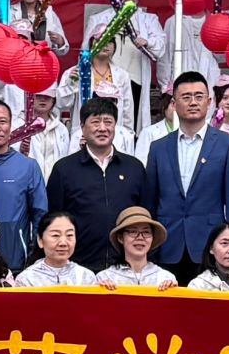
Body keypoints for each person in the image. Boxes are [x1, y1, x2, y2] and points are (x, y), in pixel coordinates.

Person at [141, 72, 229, 285]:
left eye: (199, 96)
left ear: (209, 101)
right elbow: (149, 201)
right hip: (167, 244)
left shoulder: (228, 145)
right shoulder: (158, 147)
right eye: (186, 97)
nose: (193, 102)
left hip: (209, 244)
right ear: (174, 103)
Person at [44, 97, 147, 270]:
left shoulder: (134, 168)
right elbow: (53, 218)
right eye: (95, 122)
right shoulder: (64, 169)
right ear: (82, 127)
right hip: (77, 266)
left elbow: (145, 214)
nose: (102, 128)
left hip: (126, 265)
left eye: (108, 122)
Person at [83, 0, 166, 126]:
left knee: (131, 119)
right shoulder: (99, 18)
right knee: (102, 117)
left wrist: (148, 42)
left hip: (136, 78)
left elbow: (161, 47)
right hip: (106, 76)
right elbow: (86, 48)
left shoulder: (149, 19)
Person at [0, 99, 46, 271]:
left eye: (3, 121)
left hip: (15, 262)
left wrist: (32, 254)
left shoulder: (28, 166)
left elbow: (40, 213)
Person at [97, 206, 179, 288]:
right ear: (120, 238)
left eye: (146, 232)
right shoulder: (105, 277)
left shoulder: (165, 277)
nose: (140, 237)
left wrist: (172, 291)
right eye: (133, 231)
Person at [16, 211, 99, 287]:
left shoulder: (86, 277)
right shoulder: (26, 279)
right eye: (55, 235)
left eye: (69, 235)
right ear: (40, 240)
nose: (63, 243)